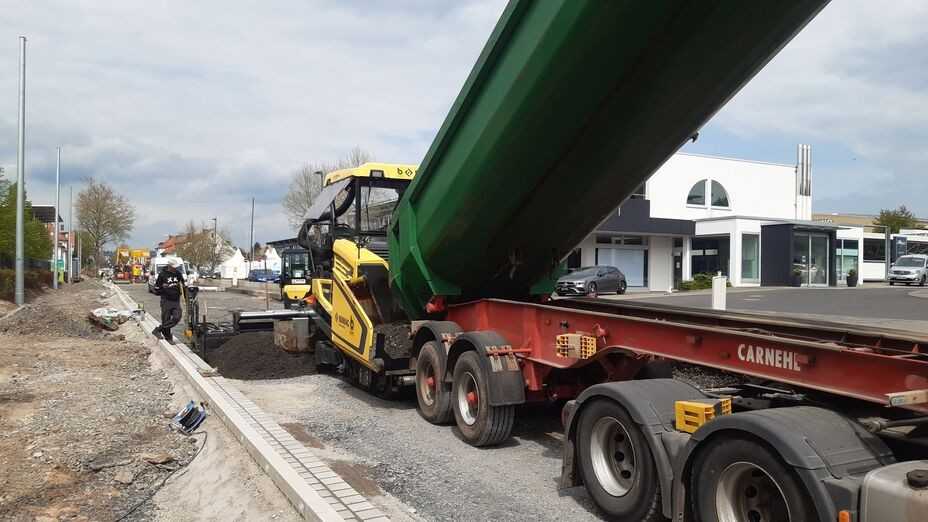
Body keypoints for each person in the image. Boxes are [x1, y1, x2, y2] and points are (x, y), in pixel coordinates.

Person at [152, 258, 185, 344]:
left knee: (177, 317)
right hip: (166, 300)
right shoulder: (162, 275)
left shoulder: (178, 274)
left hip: (176, 300)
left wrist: (185, 293)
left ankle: (158, 330)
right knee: (166, 320)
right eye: (174, 267)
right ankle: (168, 337)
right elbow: (156, 289)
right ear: (169, 266)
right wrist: (163, 287)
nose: (175, 268)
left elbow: (183, 285)